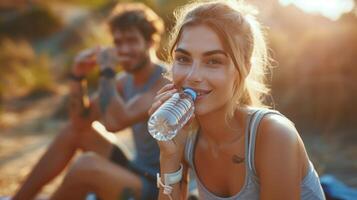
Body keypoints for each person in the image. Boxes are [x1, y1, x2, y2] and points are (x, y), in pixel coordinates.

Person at [149, 1, 326, 199]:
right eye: (183, 58)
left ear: (244, 69)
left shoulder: (275, 135)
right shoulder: (185, 135)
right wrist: (170, 157)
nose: (192, 75)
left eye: (213, 61)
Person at [13, 2, 167, 200]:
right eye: (118, 42)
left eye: (131, 41)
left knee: (86, 166)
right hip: (137, 170)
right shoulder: (123, 81)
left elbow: (115, 122)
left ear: (150, 42)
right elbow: (79, 123)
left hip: (161, 187)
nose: (124, 49)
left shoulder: (166, 80)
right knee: (73, 132)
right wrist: (78, 76)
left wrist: (107, 71)